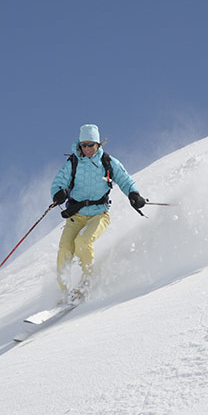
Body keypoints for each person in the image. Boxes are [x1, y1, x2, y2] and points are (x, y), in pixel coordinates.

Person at [50, 124, 146, 297]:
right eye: (84, 145)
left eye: (91, 145)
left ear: (98, 144)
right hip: (76, 216)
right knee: (65, 248)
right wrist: (59, 193)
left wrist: (134, 194)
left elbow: (124, 179)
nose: (87, 149)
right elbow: (60, 181)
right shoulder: (73, 163)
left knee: (83, 242)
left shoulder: (107, 162)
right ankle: (64, 293)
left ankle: (87, 282)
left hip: (99, 214)